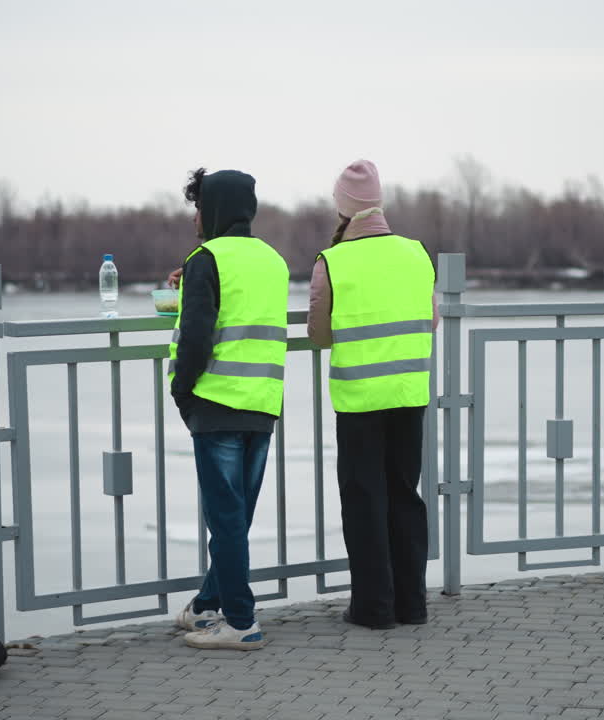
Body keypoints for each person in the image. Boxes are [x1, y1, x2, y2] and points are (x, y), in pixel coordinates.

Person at [308, 159, 438, 629]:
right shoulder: (416, 252)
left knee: (365, 499)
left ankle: (374, 608)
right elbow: (432, 320)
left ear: (343, 208)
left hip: (361, 397)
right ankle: (413, 605)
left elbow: (320, 335)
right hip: (409, 392)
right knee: (405, 495)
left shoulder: (334, 261)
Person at [167, 168, 290, 650]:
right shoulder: (273, 260)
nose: (195, 218)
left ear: (212, 210)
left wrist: (182, 388)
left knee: (225, 517)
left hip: (216, 402)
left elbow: (196, 335)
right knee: (235, 516)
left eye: (199, 208)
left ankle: (241, 622)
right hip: (262, 403)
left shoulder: (207, 258)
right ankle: (205, 607)